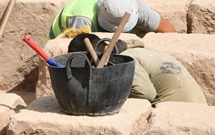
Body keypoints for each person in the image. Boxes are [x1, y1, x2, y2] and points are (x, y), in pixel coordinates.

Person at [67, 32, 207, 105]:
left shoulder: (123, 60)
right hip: (195, 106)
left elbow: (145, 94)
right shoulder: (130, 49)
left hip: (182, 113)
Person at [48, 0, 176, 39]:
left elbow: (169, 31)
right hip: (64, 38)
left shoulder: (131, 5)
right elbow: (79, 60)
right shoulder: (82, 21)